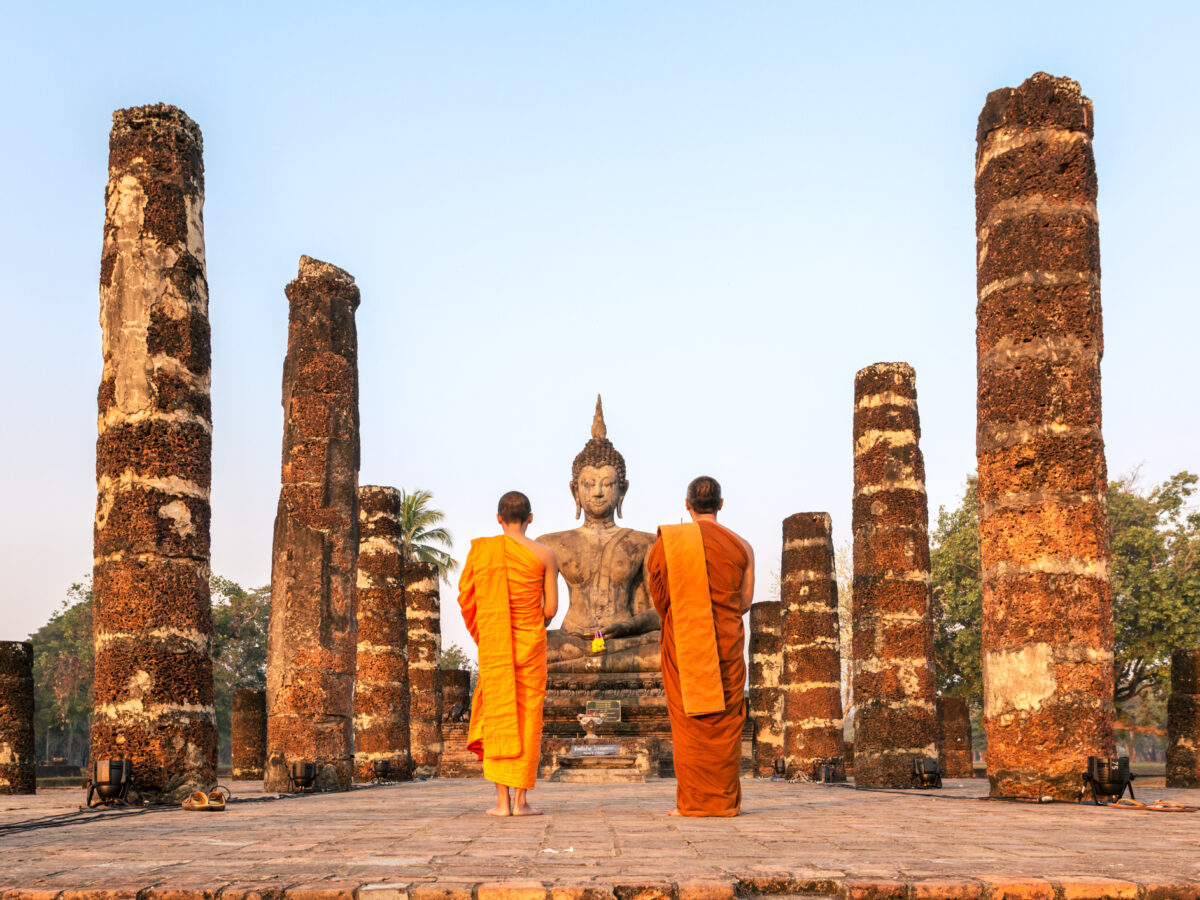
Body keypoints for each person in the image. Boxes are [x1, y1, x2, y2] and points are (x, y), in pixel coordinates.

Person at [646, 476, 755, 817]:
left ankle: (692, 803)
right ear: (721, 504)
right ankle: (722, 802)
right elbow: (745, 602)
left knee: (690, 723)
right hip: (725, 645)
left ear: (687, 504)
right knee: (723, 722)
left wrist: (691, 615)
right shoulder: (741, 546)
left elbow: (660, 601)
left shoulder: (668, 544)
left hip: (686, 644)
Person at [457, 490, 559, 816]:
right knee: (529, 719)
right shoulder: (546, 554)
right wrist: (529, 621)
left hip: (496, 647)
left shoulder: (483, 552)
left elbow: (466, 599)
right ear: (531, 518)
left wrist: (493, 627)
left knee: (497, 715)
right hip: (531, 645)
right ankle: (522, 802)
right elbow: (552, 608)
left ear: (499, 519)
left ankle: (501, 803)